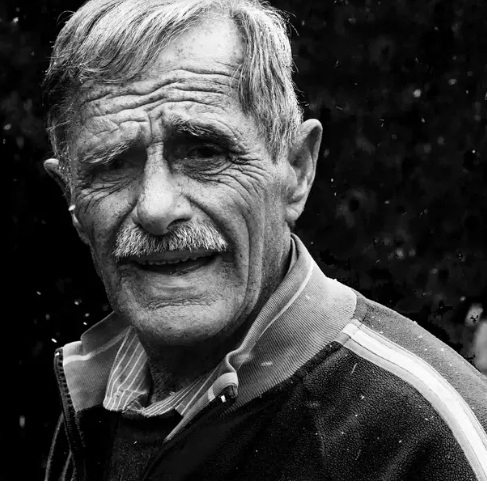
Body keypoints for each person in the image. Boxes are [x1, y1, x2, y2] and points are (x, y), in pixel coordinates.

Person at [39, 0, 487, 480]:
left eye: (204, 152)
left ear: (297, 171)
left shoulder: (424, 441)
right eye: (111, 164)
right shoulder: (95, 403)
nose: (155, 208)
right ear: (72, 199)